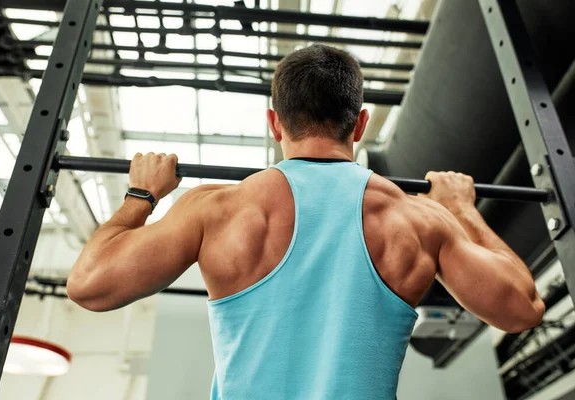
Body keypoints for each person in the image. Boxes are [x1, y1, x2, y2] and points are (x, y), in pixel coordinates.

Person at [67, 44, 545, 399]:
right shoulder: (418, 220)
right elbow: (522, 309)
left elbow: (90, 285)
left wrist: (142, 195)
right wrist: (460, 210)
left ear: (274, 124)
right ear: (359, 124)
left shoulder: (218, 209)